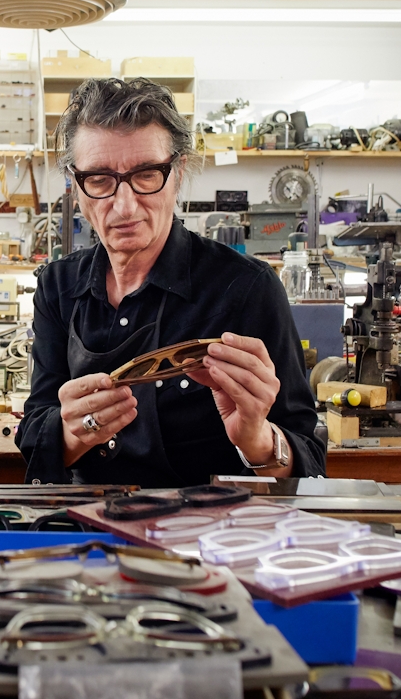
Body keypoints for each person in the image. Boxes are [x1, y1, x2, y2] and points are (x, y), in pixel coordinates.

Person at [16, 77, 326, 487]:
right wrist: (71, 432)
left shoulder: (247, 288)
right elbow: (35, 432)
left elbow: (309, 461)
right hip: (88, 533)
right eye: (100, 180)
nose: (124, 206)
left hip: (210, 538)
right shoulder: (58, 286)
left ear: (177, 173)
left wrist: (256, 437)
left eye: (146, 175)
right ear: (76, 186)